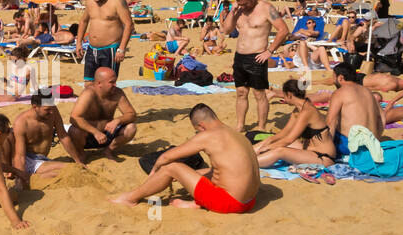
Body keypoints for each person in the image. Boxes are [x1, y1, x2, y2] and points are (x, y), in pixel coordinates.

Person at [110, 103, 259, 213]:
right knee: (202, 171)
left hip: (230, 203)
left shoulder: (208, 135)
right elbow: (224, 171)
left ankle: (130, 198)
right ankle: (198, 203)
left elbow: (166, 157)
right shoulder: (235, 134)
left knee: (171, 167)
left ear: (201, 126)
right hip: (250, 201)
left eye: (197, 131)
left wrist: (154, 172)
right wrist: (188, 175)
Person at [218, 0, 290, 131]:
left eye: (245, 4)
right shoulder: (238, 10)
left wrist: (269, 51)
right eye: (240, 4)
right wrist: (233, 12)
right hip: (240, 56)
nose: (243, 7)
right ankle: (240, 126)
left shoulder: (266, 8)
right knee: (241, 92)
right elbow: (226, 29)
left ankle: (261, 126)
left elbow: (283, 30)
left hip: (258, 56)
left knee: (259, 94)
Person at [254, 80, 337, 172]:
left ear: (289, 95)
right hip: (309, 150)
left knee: (280, 151)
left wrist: (267, 148)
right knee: (272, 141)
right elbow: (284, 133)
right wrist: (267, 142)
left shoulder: (307, 111)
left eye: (284, 95)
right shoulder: (298, 110)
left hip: (323, 157)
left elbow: (289, 139)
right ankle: (246, 155)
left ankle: (249, 163)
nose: (284, 98)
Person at [10, 89, 86, 186]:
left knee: (70, 169)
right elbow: (19, 156)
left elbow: (63, 136)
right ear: (35, 107)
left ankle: (38, 175)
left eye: (52, 108)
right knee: (67, 169)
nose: (51, 112)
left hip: (42, 159)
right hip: (29, 160)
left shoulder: (53, 111)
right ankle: (31, 177)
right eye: (47, 109)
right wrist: (20, 179)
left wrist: (78, 160)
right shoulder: (22, 123)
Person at [68, 67, 138, 156]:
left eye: (115, 81)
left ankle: (108, 150)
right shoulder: (89, 94)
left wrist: (117, 120)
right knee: (74, 131)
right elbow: (74, 118)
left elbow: (132, 114)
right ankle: (81, 153)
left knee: (131, 128)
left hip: (107, 135)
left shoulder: (117, 93)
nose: (115, 85)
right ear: (99, 83)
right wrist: (95, 132)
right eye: (111, 82)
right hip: (88, 136)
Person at [75, 0, 133, 82]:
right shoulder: (90, 1)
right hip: (91, 49)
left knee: (107, 86)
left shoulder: (117, 1)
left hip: (110, 49)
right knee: (89, 84)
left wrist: (122, 48)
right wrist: (79, 42)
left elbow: (129, 24)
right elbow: (84, 21)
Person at [325, 63, 384, 157]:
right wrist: (377, 138)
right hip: (372, 144)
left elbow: (331, 121)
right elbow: (382, 118)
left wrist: (327, 149)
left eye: (334, 77)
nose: (333, 80)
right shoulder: (367, 91)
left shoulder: (339, 93)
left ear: (340, 78)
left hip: (351, 146)